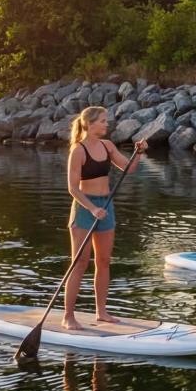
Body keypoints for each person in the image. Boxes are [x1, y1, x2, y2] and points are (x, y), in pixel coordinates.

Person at [64, 106, 147, 330]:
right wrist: (92, 208)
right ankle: (68, 317)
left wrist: (139, 152)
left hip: (106, 205)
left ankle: (101, 312)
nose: (106, 124)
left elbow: (129, 169)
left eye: (105, 120)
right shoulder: (78, 151)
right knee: (80, 263)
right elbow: (73, 188)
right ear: (89, 124)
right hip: (85, 208)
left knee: (104, 261)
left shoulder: (107, 146)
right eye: (102, 121)